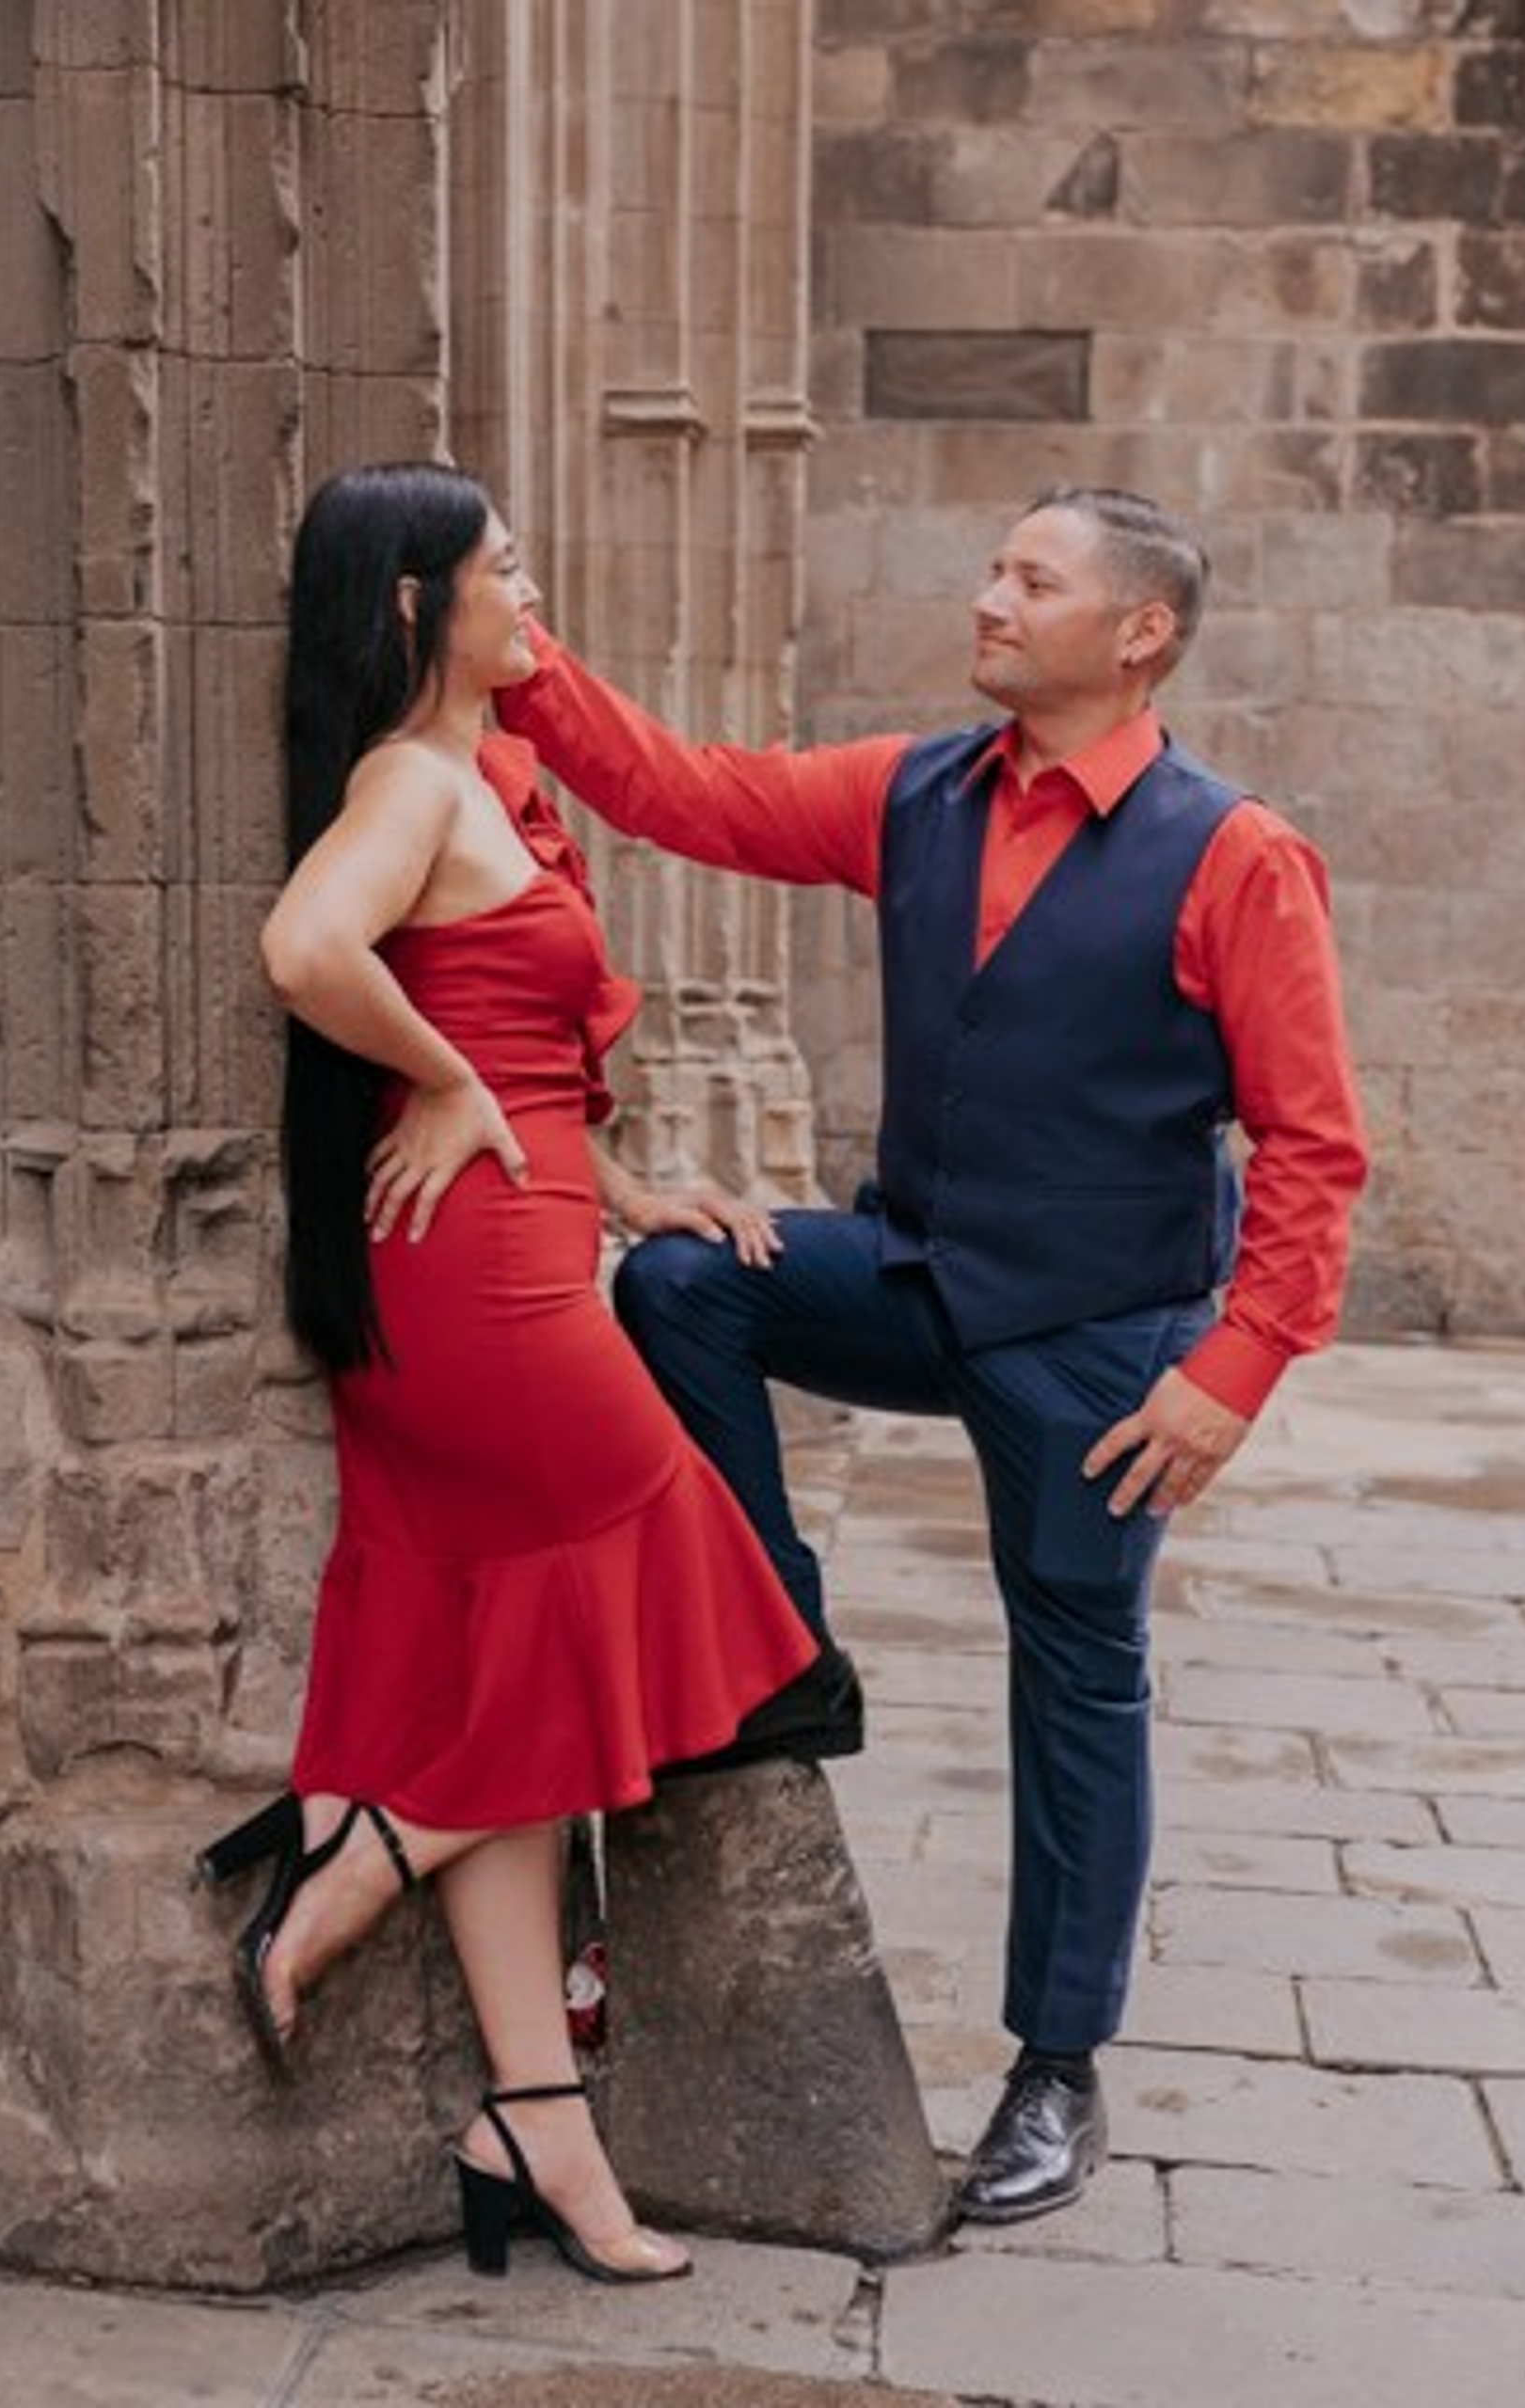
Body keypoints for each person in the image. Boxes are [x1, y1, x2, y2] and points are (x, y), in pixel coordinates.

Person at [492, 485, 1370, 2226]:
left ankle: (1058, 2069)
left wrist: (1233, 1369)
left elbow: (1315, 1146)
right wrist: (524, 660)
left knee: (1079, 1676)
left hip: (1099, 1350)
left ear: (1138, 634)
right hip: (915, 1273)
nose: (987, 597)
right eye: (993, 567)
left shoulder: (1231, 852)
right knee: (685, 1289)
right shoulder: (918, 793)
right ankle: (782, 1646)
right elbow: (683, 793)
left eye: (1030, 580)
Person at [197, 461, 820, 2285]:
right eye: (502, 570)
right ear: (414, 606)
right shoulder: (410, 778)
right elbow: (306, 950)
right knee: (680, 1574)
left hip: (533, 1245)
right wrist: (453, 1088)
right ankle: (365, 1857)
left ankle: (531, 2122)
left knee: (539, 1670)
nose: (528, 594)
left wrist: (633, 1192)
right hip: (473, 1287)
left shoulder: (485, 777)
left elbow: (515, 1036)